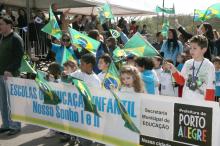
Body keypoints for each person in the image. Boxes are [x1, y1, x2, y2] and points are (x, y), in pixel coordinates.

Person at [165, 35, 215, 101]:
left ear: (203, 50)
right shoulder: (187, 63)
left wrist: (208, 107)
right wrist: (173, 69)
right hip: (186, 102)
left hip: (201, 105)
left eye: (194, 48)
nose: (191, 51)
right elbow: (181, 81)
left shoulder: (209, 66)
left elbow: (210, 89)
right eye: (190, 48)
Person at [0, 16, 24, 135]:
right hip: (1, 75)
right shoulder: (1, 38)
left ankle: (15, 126)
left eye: (1, 24)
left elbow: (18, 58)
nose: (0, 26)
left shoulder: (16, 38)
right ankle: (6, 124)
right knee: (3, 102)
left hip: (11, 75)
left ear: (9, 25)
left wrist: (9, 69)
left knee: (13, 102)